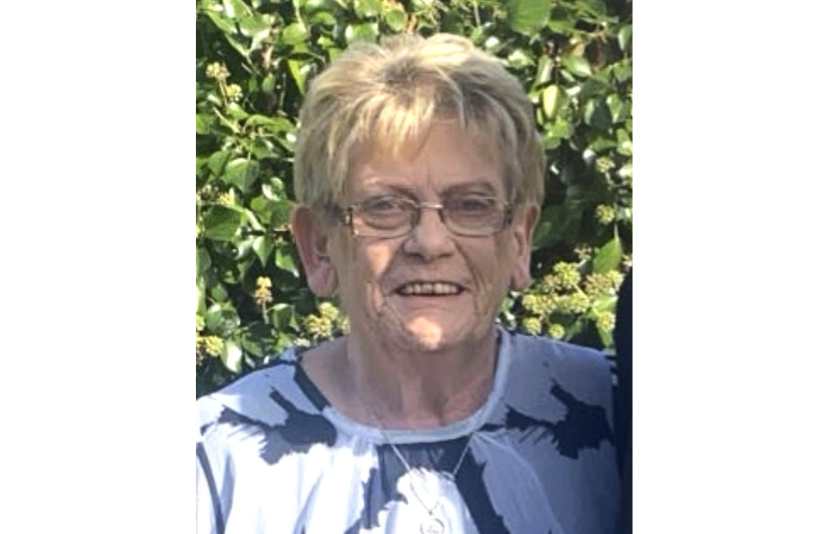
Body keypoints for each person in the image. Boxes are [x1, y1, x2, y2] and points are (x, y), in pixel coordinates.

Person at [197, 33, 620, 534]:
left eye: (471, 206)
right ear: (318, 246)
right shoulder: (217, 458)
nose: (430, 242)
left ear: (520, 240)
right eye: (385, 207)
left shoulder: (618, 416)